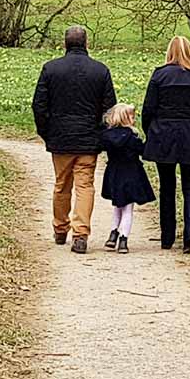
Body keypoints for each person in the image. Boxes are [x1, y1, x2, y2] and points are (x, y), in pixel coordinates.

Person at [32, 25, 117, 254]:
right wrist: (102, 133)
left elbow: (39, 105)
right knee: (85, 186)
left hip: (60, 137)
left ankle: (60, 229)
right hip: (89, 138)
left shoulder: (51, 69)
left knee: (62, 185)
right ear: (86, 43)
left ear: (65, 44)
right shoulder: (100, 70)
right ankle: (81, 233)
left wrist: (46, 132)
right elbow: (109, 108)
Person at [142, 36, 190, 254]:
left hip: (164, 135)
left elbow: (148, 110)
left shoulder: (159, 75)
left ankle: (167, 236)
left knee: (167, 186)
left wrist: (151, 133)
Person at [99, 103, 154, 254]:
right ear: (126, 118)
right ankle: (123, 239)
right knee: (128, 209)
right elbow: (142, 151)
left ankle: (112, 234)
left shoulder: (107, 137)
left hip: (114, 173)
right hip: (131, 173)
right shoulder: (132, 137)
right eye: (132, 116)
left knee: (117, 206)